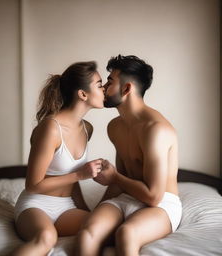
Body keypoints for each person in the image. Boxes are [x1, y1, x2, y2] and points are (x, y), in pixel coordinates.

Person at [76, 55, 182, 256]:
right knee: (87, 233)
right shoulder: (115, 127)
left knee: (126, 233)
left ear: (126, 89)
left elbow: (153, 196)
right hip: (126, 197)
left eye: (109, 81)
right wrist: (97, 210)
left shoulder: (156, 130)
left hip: (161, 204)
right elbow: (121, 179)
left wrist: (114, 176)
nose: (103, 88)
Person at [12, 61, 105, 256]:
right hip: (36, 205)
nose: (104, 89)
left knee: (101, 228)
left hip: (66, 208)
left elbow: (74, 181)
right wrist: (80, 174)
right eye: (99, 84)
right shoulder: (51, 128)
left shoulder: (87, 128)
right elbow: (33, 184)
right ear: (83, 94)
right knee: (46, 238)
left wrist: (88, 212)